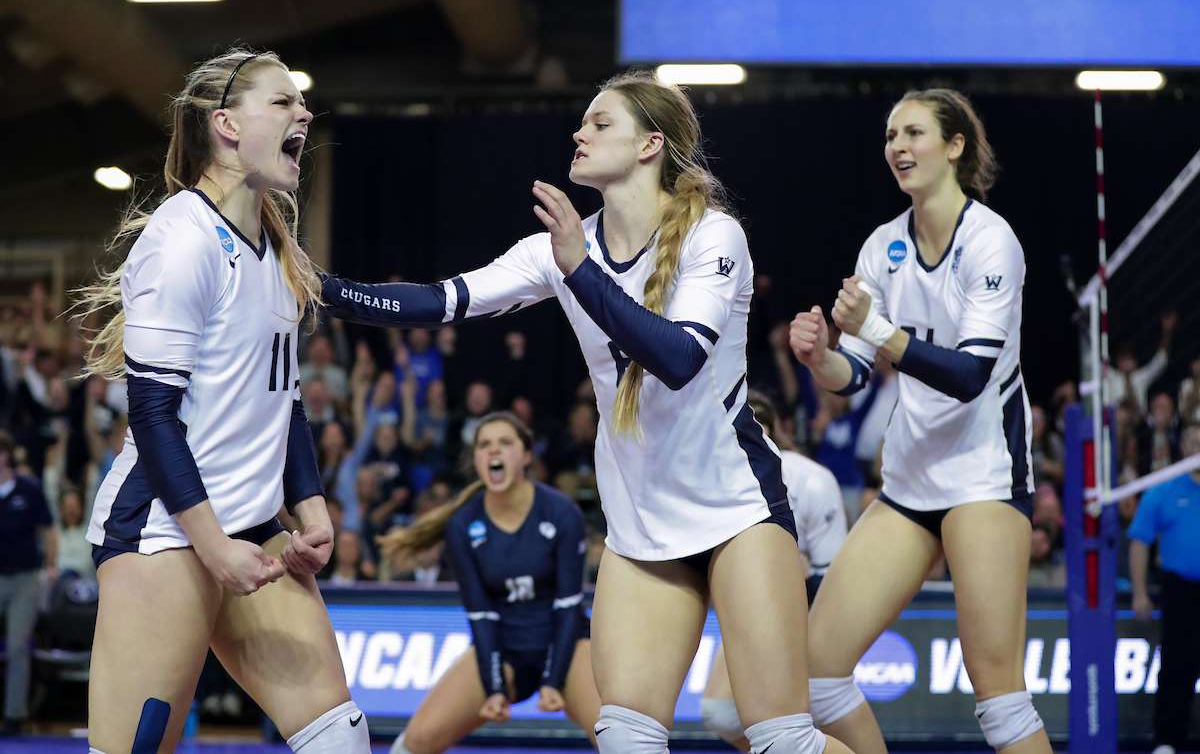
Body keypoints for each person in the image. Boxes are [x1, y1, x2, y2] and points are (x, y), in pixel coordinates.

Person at [322, 71, 848, 754]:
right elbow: (440, 300)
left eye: (601, 123)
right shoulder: (560, 249)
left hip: (738, 511)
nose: (580, 132)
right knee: (624, 737)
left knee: (781, 740)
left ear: (650, 144)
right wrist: (323, 289)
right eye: (584, 122)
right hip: (640, 525)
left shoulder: (713, 237)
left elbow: (679, 358)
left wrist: (581, 271)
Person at [73, 47, 369, 753]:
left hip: (249, 531)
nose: (305, 112)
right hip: (165, 534)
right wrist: (214, 548)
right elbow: (151, 415)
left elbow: (281, 397)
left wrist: (311, 505)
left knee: (340, 739)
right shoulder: (182, 239)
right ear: (227, 126)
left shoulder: (273, 243)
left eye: (302, 102)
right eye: (283, 101)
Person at [789, 88, 1050, 753]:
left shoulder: (992, 242)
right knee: (815, 678)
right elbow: (851, 376)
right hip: (909, 482)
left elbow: (968, 377)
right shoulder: (883, 246)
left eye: (913, 134)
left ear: (955, 146)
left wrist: (874, 328)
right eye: (889, 136)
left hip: (984, 478)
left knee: (998, 693)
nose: (897, 148)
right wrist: (821, 357)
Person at [381, 412, 598, 752]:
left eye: (505, 443)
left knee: (616, 734)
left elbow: (568, 607)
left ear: (526, 456)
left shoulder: (561, 512)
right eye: (484, 445)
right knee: (415, 742)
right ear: (477, 460)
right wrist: (495, 687)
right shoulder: (463, 526)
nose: (493, 451)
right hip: (503, 646)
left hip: (566, 643)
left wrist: (553, 681)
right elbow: (481, 617)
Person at [702, 391, 847, 750]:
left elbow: (834, 583)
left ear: (773, 432)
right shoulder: (711, 479)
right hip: (746, 608)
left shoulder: (811, 479)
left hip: (810, 611)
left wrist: (799, 573)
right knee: (720, 711)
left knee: (801, 719)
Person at [1128, 425, 1200, 754]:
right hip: (1180, 590)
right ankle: (1167, 741)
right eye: (1192, 441)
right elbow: (1140, 540)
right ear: (1182, 446)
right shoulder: (1164, 489)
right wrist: (1140, 591)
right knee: (1176, 666)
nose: (1197, 446)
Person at [0, 430, 57, 736]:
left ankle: (14, 715)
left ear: (7, 455)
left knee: (19, 646)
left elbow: (48, 528)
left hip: (24, 577)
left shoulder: (29, 488)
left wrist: (51, 564)